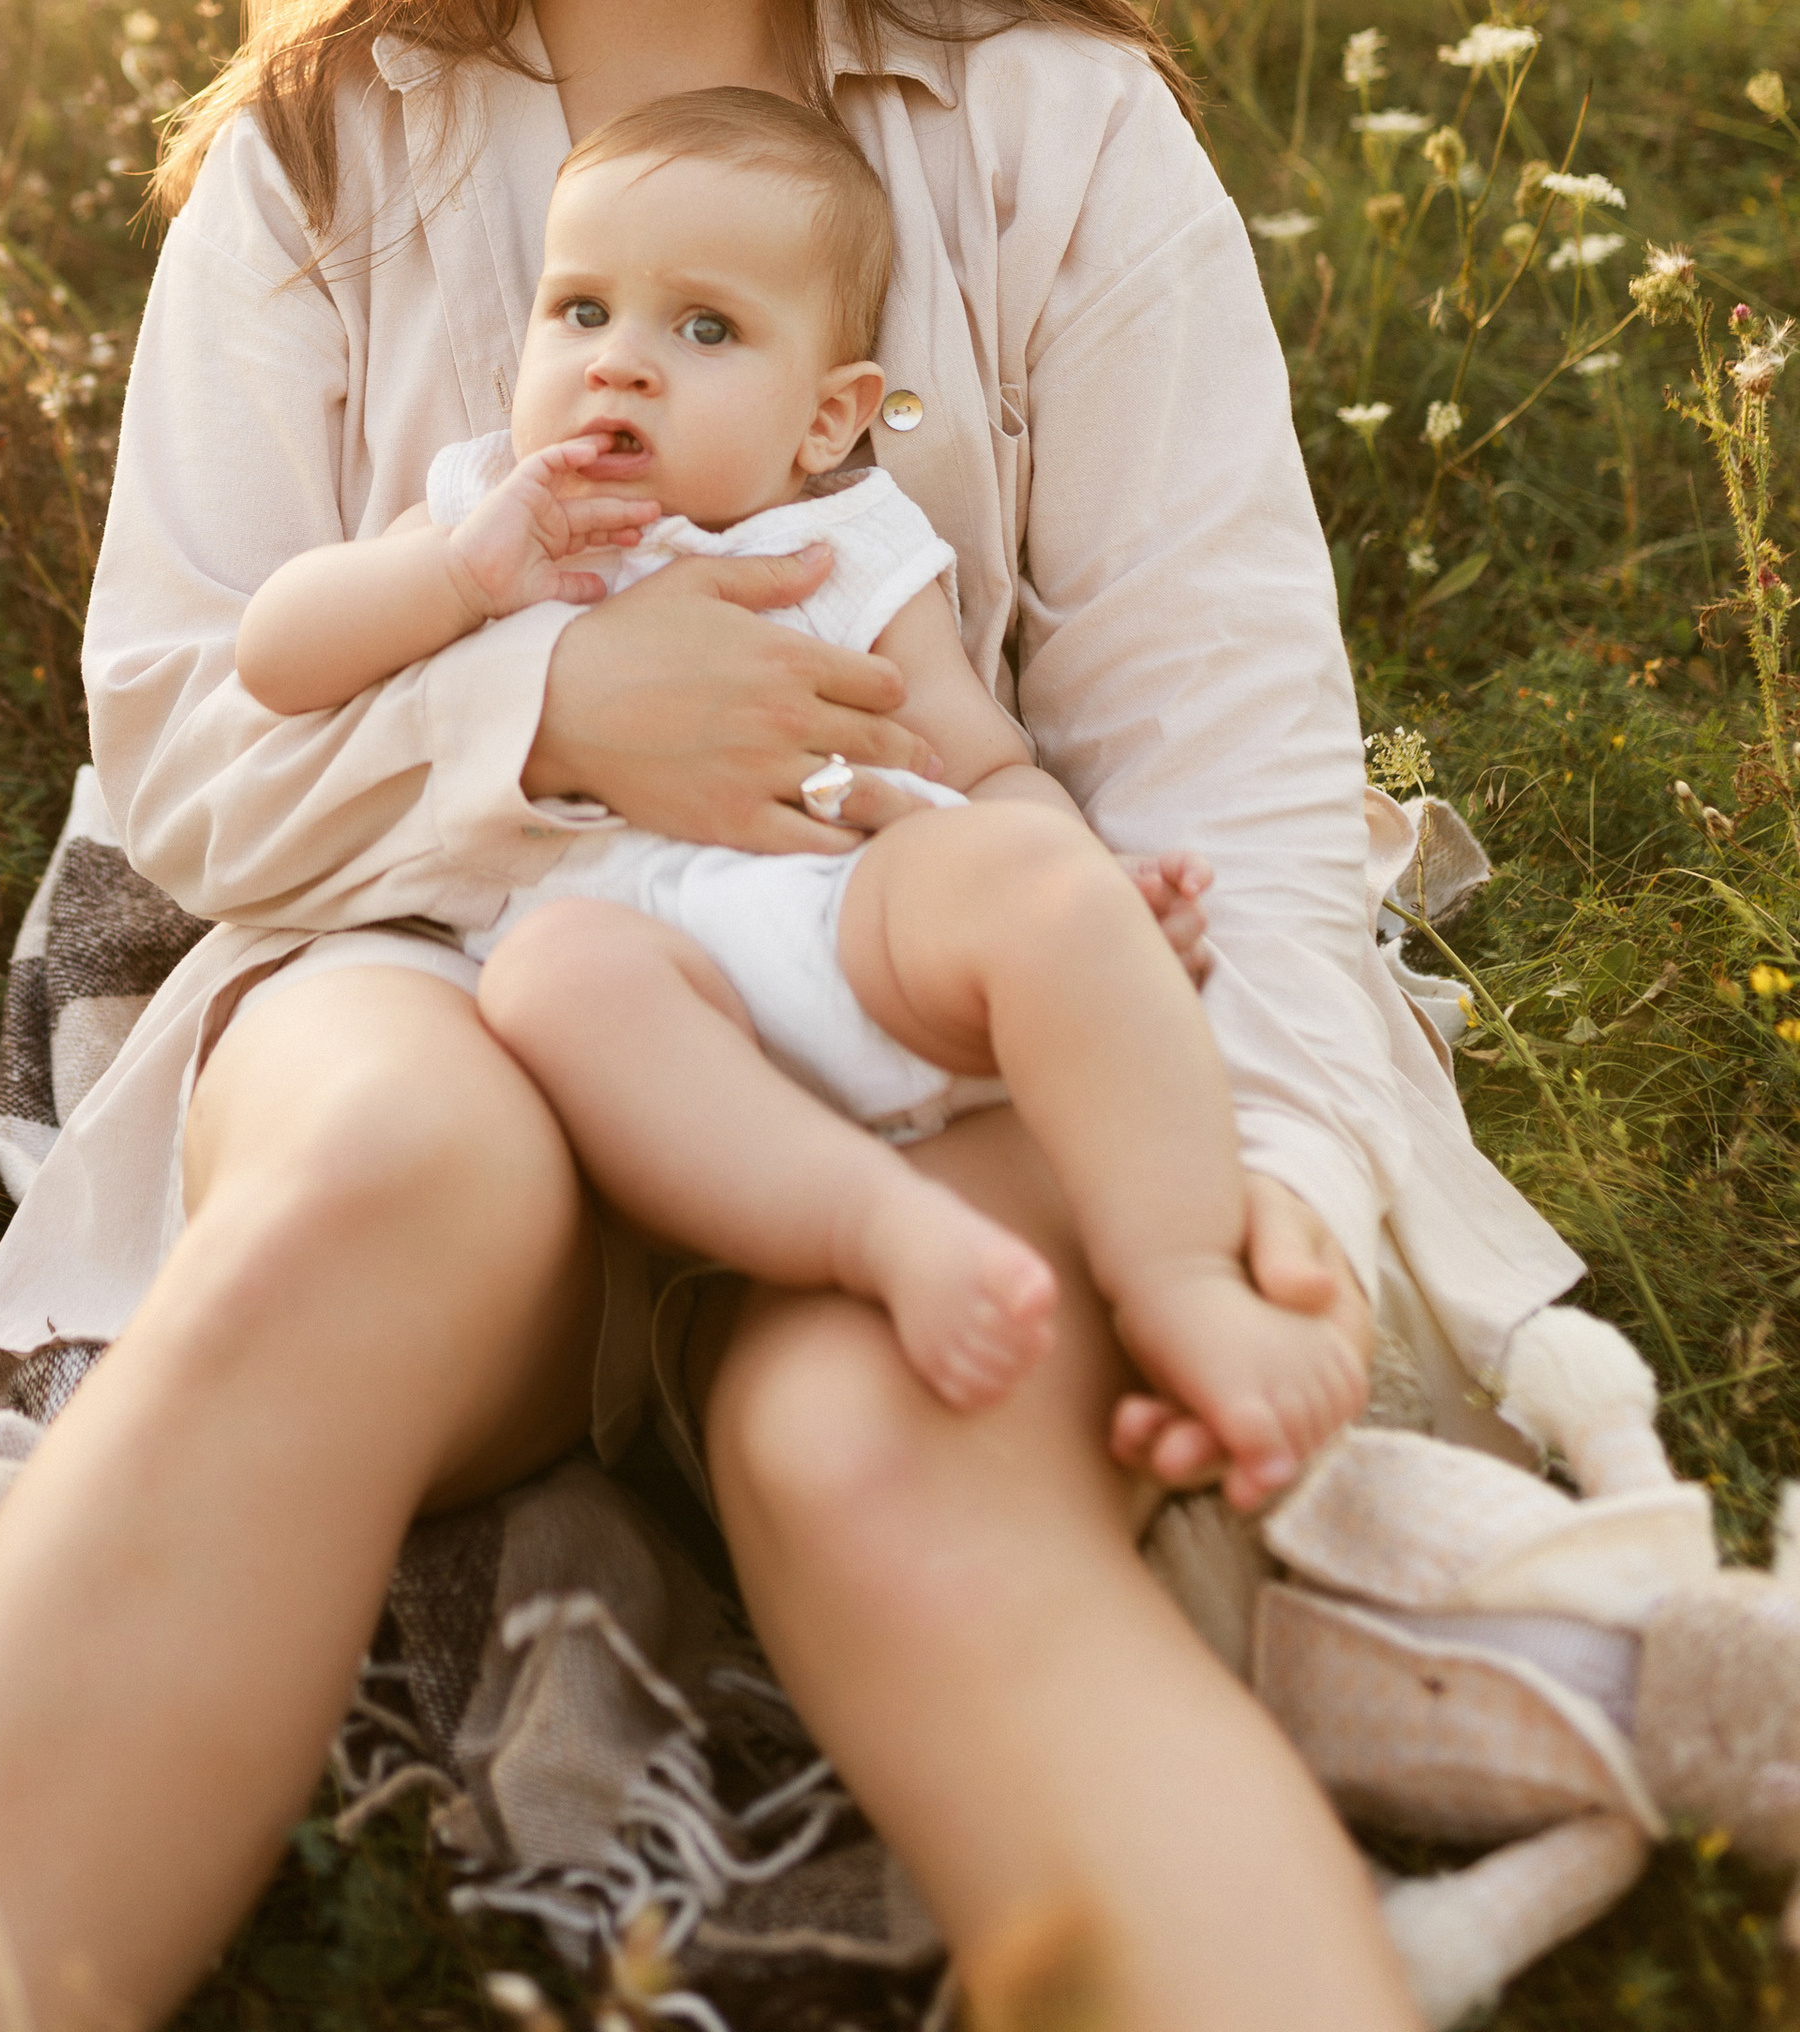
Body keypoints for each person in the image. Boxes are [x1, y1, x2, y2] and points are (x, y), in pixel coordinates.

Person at [0, 0, 1580, 2032]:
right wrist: (549, 713)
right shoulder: (328, 145)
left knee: (872, 1451)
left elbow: (1229, 764)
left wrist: (1267, 1164)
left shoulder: (1054, 130)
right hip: (422, 966)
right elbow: (180, 741)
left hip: (889, 1009)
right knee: (374, 1184)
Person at [235, 82, 1366, 1480]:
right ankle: (884, 1231)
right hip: (643, 993)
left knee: (1020, 875)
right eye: (581, 311)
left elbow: (983, 760)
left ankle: (1185, 1278)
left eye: (704, 329)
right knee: (551, 982)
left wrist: (1083, 891)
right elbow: (276, 655)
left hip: (852, 934)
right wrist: (458, 579)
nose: (619, 365)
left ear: (828, 419)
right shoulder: (486, 517)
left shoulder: (852, 549)